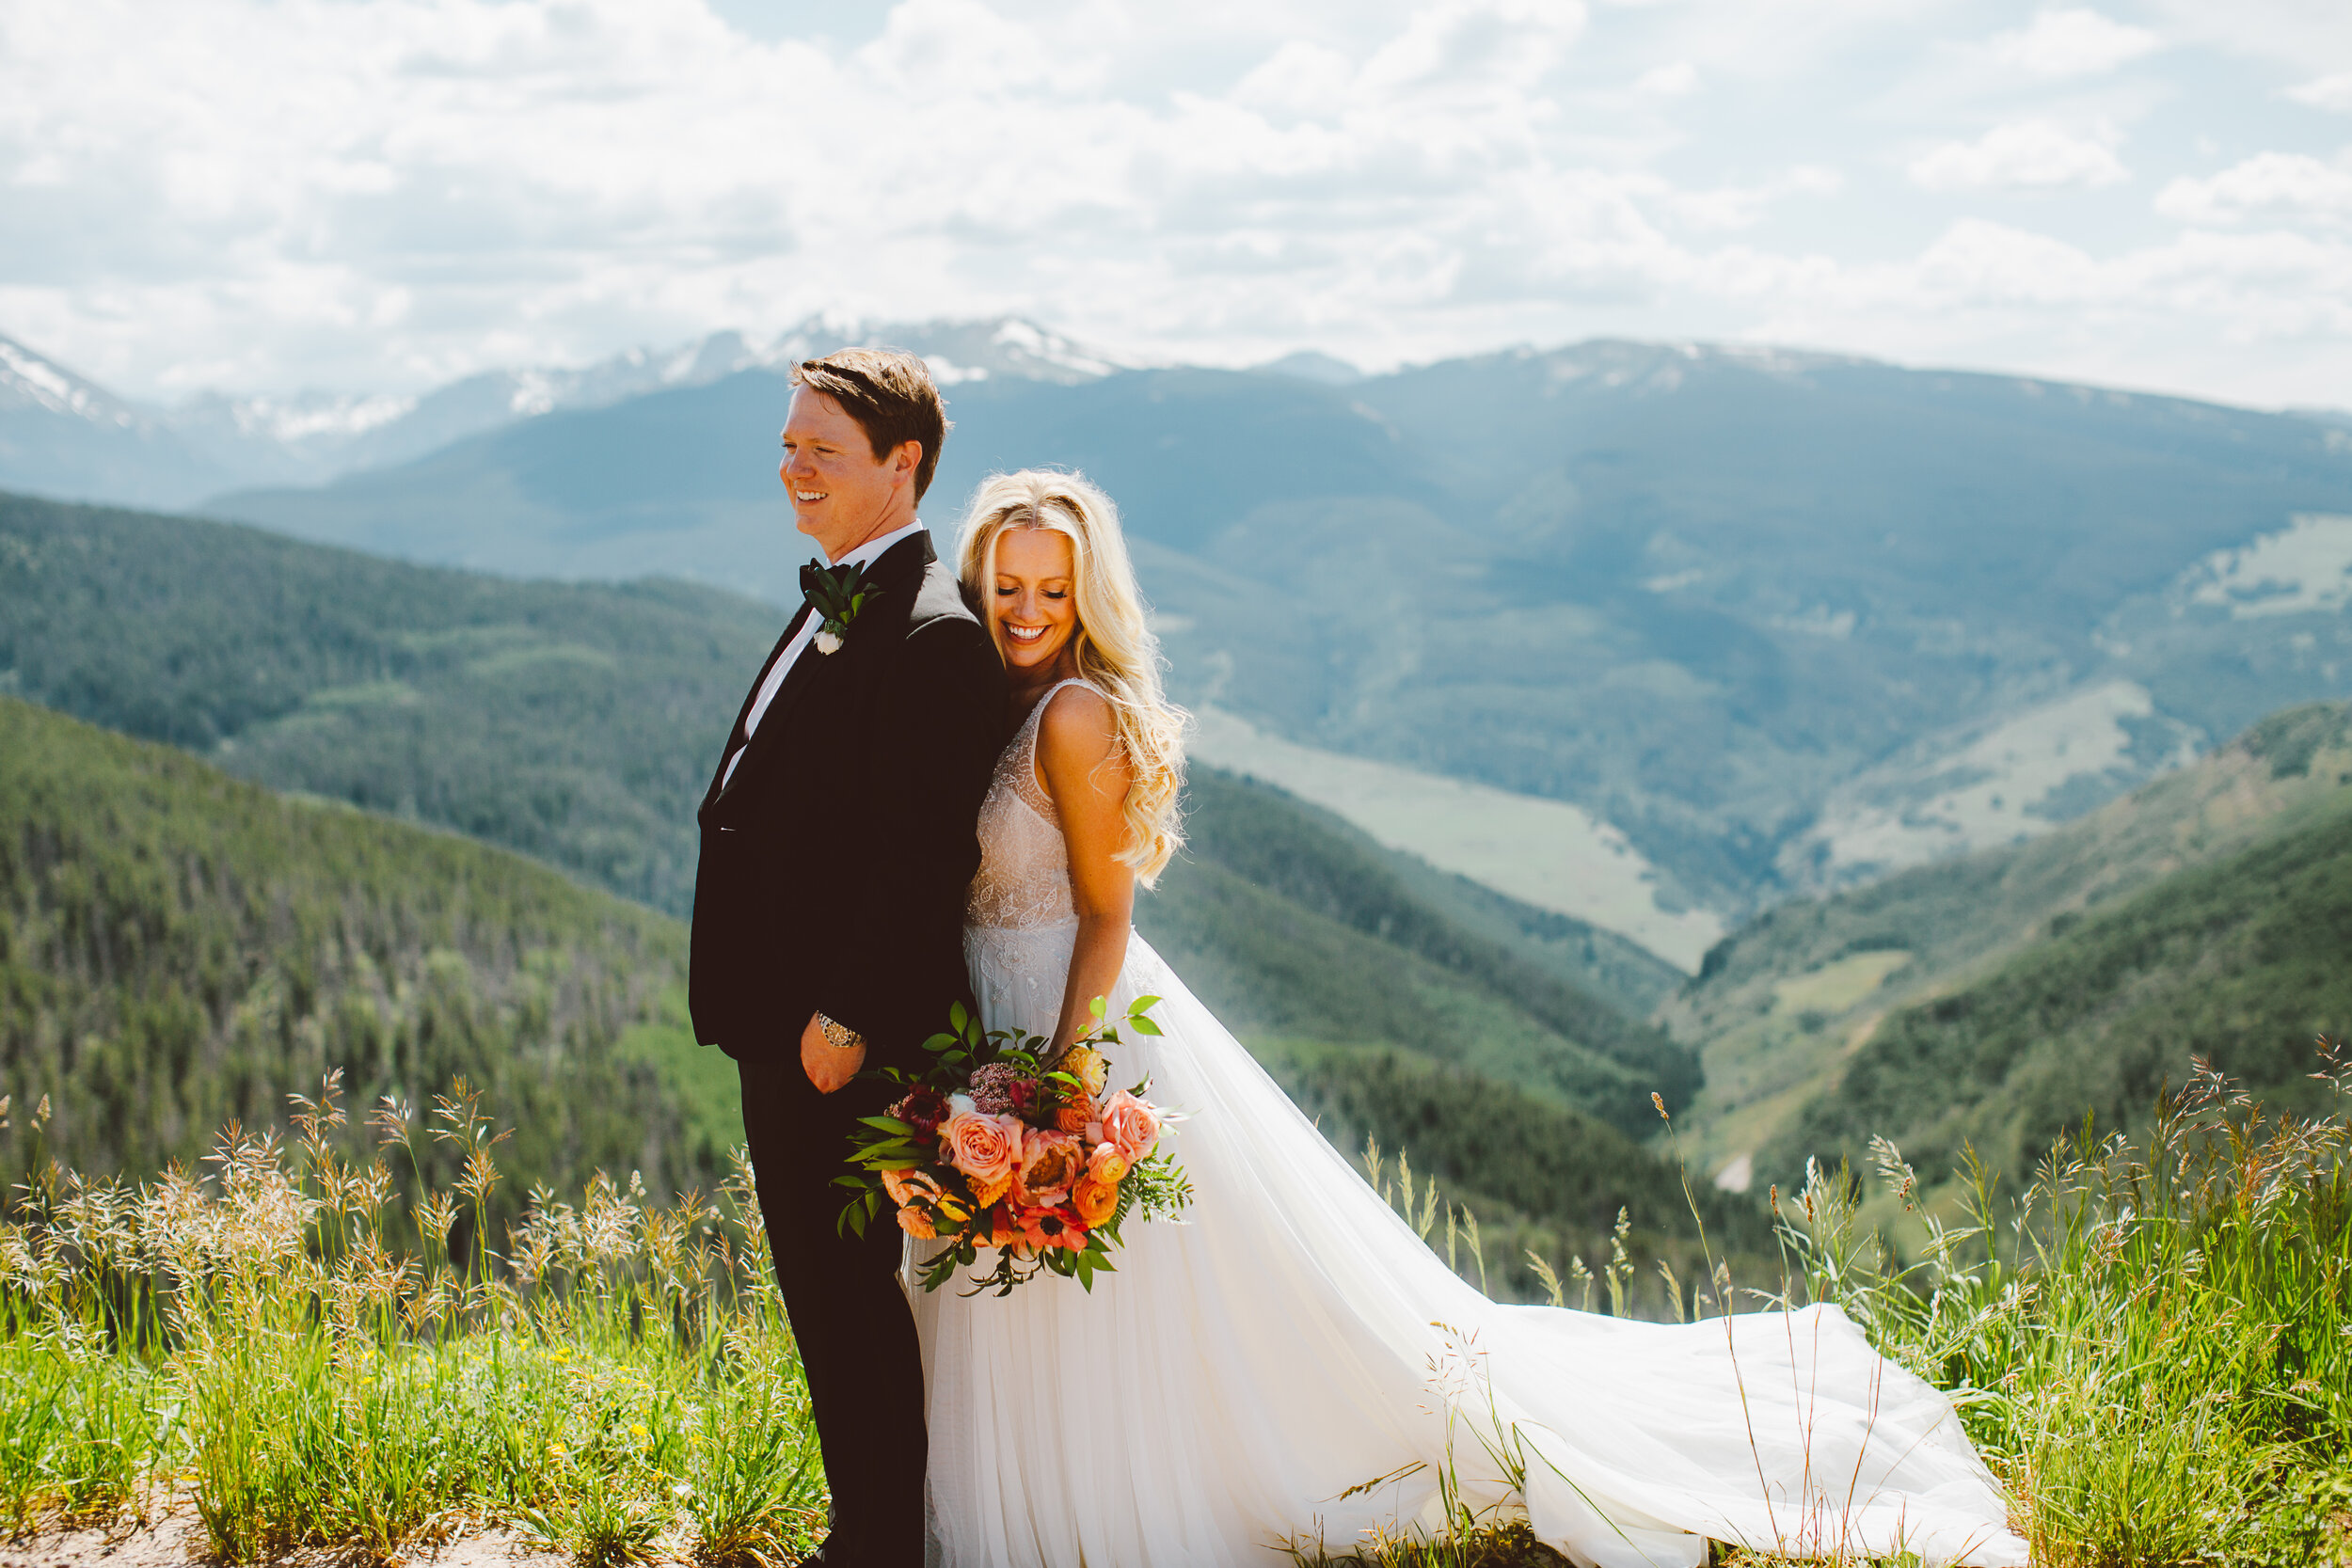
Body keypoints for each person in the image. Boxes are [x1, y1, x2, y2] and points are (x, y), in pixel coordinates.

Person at [912, 467, 2031, 1568]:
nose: (1025, 611)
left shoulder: (1071, 713)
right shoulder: (981, 694)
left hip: (1071, 1015)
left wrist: (1063, 1076)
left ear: (1085, 596)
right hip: (984, 1018)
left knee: (1120, 1283)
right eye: (1007, 586)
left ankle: (1099, 1506)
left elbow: (1106, 915)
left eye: (1051, 591)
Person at [689, 348, 1004, 1568]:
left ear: (902, 464)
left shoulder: (928, 633)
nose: (793, 469)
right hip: (782, 1012)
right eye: (786, 445)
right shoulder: (852, 593)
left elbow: (920, 854)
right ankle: (863, 1535)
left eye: (822, 449)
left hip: (832, 1034)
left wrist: (847, 1014)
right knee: (825, 1303)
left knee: (849, 1302)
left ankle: (874, 1549)